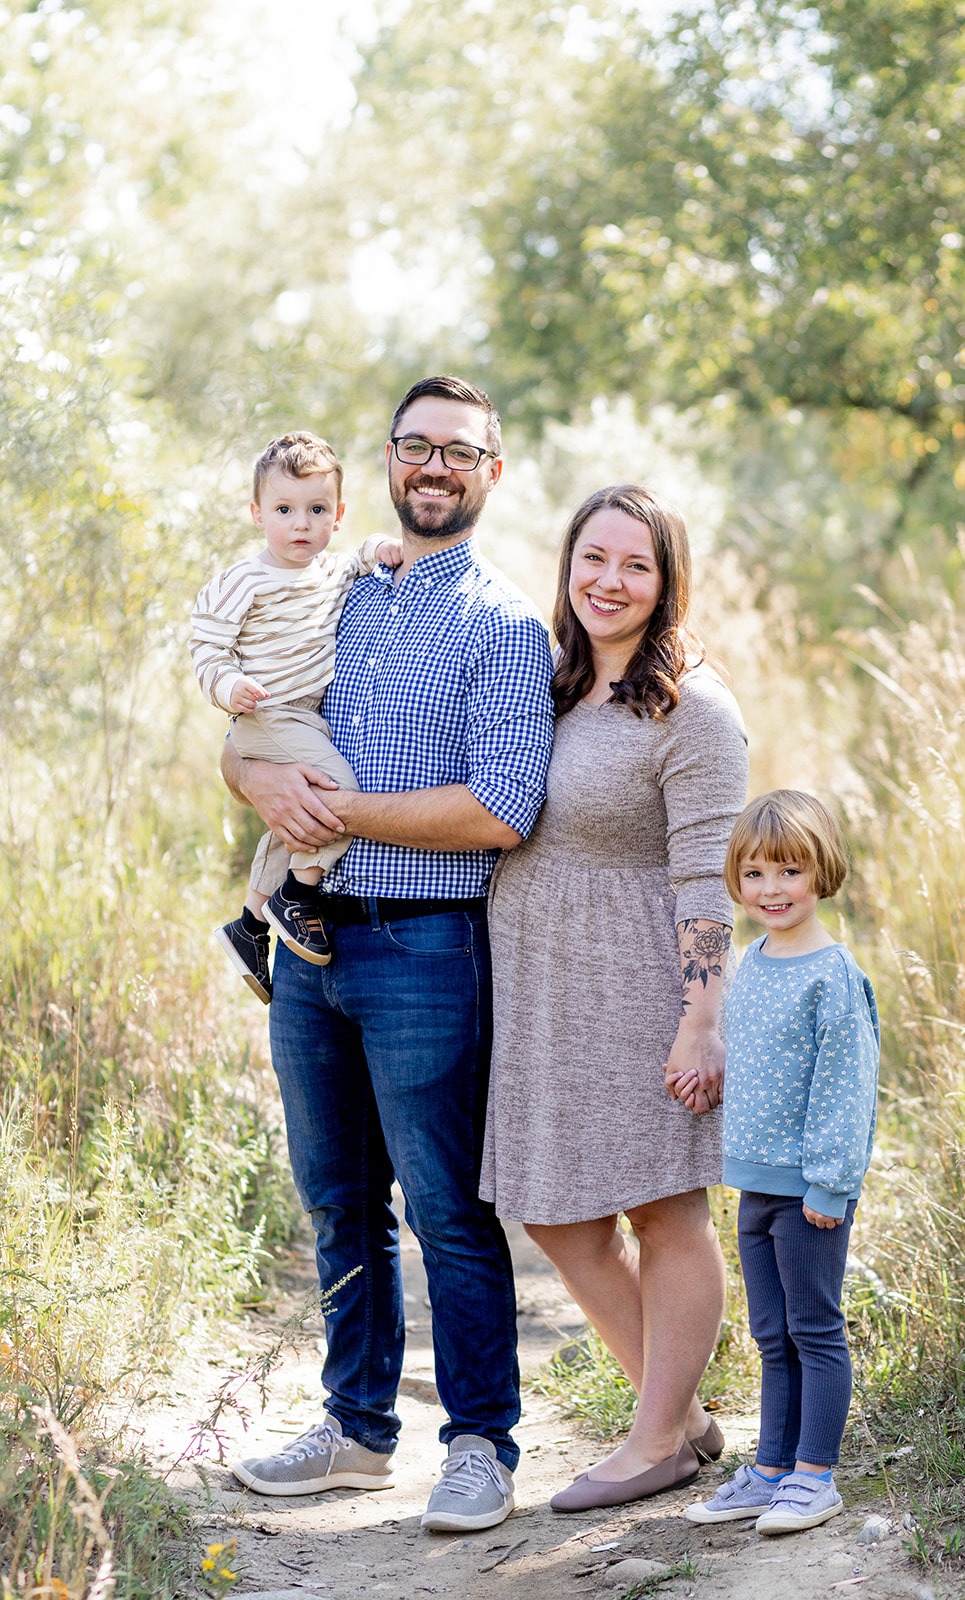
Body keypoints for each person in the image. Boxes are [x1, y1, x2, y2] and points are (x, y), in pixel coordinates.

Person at [219, 377, 555, 1532]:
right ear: (389, 458)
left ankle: (480, 1444)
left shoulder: (505, 626)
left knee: (446, 1208)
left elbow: (502, 807)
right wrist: (257, 778)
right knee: (336, 1201)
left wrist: (349, 812)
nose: (433, 465)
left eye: (458, 452)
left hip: (424, 947)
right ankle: (357, 1429)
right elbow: (251, 743)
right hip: (308, 949)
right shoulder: (338, 592)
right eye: (415, 445)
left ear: (490, 474)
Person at [480, 484, 749, 1512]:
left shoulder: (692, 706)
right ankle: (674, 1412)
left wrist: (700, 1014)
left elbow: (700, 877)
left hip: (637, 983)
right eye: (593, 557)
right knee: (559, 1213)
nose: (608, 580)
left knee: (663, 1204)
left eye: (635, 565)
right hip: (544, 983)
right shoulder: (544, 680)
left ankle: (652, 1444)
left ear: (665, 583)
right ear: (566, 562)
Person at [683, 790, 879, 1535]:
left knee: (813, 1329)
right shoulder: (748, 962)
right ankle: (769, 1469)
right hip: (755, 1181)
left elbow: (843, 1089)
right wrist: (713, 1073)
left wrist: (830, 1183)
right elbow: (762, 1060)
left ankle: (814, 1477)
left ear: (821, 874)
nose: (771, 890)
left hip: (808, 1189)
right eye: (756, 873)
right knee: (771, 1333)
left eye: (789, 872)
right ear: (736, 880)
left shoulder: (832, 977)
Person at [190, 432, 401, 1000]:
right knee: (334, 794)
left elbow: (360, 558)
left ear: (337, 515)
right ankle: (297, 898)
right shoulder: (245, 579)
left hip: (307, 716)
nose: (300, 524)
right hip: (268, 713)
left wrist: (379, 545)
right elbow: (206, 645)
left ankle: (251, 926)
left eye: (316, 510)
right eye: (284, 510)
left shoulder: (331, 571)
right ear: (258, 514)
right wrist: (228, 684)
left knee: (295, 817)